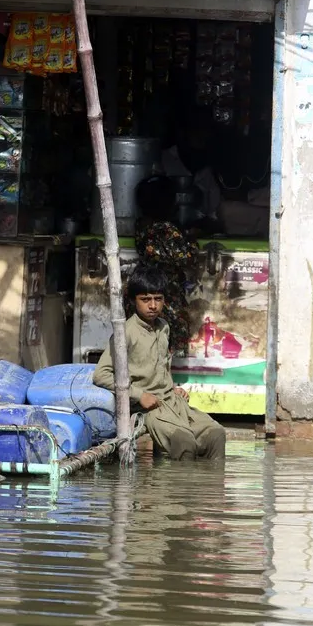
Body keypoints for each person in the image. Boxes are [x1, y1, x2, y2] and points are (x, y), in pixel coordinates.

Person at [93, 265, 226, 461]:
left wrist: (172, 387)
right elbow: (100, 375)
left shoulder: (164, 327)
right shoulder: (125, 333)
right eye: (145, 300)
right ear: (133, 301)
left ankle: (208, 490)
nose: (153, 306)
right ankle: (177, 490)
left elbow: (162, 365)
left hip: (173, 402)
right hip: (148, 409)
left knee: (216, 435)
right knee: (184, 443)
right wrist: (140, 395)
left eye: (158, 299)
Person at [134, 175, 200, 354]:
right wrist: (192, 240)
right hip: (166, 289)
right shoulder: (167, 230)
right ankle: (168, 374)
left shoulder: (142, 225)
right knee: (172, 329)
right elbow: (186, 257)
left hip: (147, 283)